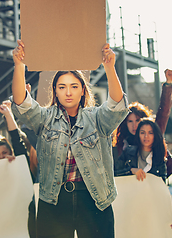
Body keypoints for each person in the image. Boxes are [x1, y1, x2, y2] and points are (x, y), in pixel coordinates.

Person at [11, 40, 129, 238]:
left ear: (82, 90)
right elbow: (21, 103)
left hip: (94, 198)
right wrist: (19, 65)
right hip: (54, 200)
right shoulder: (45, 119)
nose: (68, 92)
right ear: (55, 92)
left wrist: (109, 67)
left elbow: (117, 105)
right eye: (62, 87)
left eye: (74, 86)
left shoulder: (97, 118)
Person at [114, 118, 172, 232]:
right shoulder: (128, 152)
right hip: (129, 207)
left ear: (156, 135)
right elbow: (115, 176)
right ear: (138, 134)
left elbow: (162, 191)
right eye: (142, 132)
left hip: (151, 210)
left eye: (150, 133)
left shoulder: (160, 160)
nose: (146, 136)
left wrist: (169, 218)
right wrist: (131, 171)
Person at [112, 69, 172, 177]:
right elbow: (116, 172)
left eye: (138, 120)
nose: (134, 125)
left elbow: (164, 112)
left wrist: (168, 84)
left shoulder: (152, 133)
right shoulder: (122, 145)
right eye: (130, 121)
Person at [0, 100, 38, 238]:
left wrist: (8, 114)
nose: (2, 157)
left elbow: (15, 138)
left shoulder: (22, 163)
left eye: (4, 153)